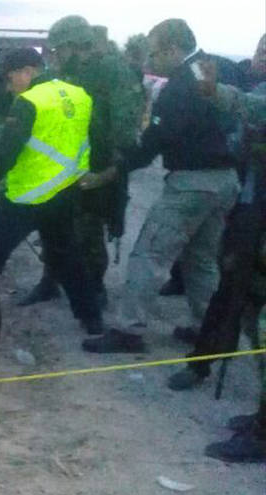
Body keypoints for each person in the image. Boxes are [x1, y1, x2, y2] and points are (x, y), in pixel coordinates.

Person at [83, 19, 239, 354]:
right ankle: (207, 329)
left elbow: (156, 139)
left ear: (172, 49)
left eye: (154, 55)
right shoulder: (215, 69)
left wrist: (114, 171)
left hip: (192, 184)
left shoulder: (181, 84)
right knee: (201, 259)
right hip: (225, 181)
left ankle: (128, 330)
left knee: (149, 254)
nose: (150, 63)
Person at [0, 47, 107, 336]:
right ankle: (92, 319)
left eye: (9, 78)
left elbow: (6, 154)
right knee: (67, 257)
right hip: (65, 193)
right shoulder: (79, 94)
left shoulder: (29, 101)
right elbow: (98, 139)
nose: (8, 85)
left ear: (27, 71)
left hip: (27, 198)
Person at [19, 16, 145, 309]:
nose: (55, 57)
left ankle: (94, 290)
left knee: (88, 230)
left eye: (59, 50)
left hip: (95, 163)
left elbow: (125, 126)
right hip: (60, 162)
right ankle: (50, 281)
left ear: (77, 46)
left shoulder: (112, 71)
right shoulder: (67, 72)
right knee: (51, 223)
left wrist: (111, 168)